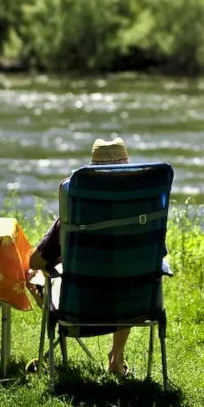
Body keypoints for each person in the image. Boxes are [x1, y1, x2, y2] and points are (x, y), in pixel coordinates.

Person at [27, 135, 133, 377]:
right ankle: (117, 359)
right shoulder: (144, 213)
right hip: (132, 304)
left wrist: (64, 257)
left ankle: (61, 328)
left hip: (78, 305)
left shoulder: (72, 212)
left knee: (33, 271)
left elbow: (35, 261)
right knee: (127, 276)